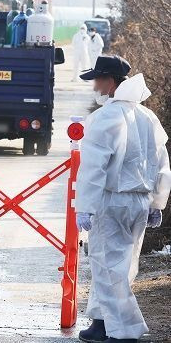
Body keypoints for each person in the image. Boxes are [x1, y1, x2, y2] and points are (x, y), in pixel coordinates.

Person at [76, 55, 171, 343]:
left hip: (112, 201)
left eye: (97, 78)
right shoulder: (147, 116)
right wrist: (157, 202)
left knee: (107, 267)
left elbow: (94, 166)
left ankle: (125, 330)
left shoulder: (106, 116)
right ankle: (101, 323)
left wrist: (85, 207)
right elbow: (162, 162)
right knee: (122, 266)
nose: (94, 84)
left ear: (110, 80)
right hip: (139, 202)